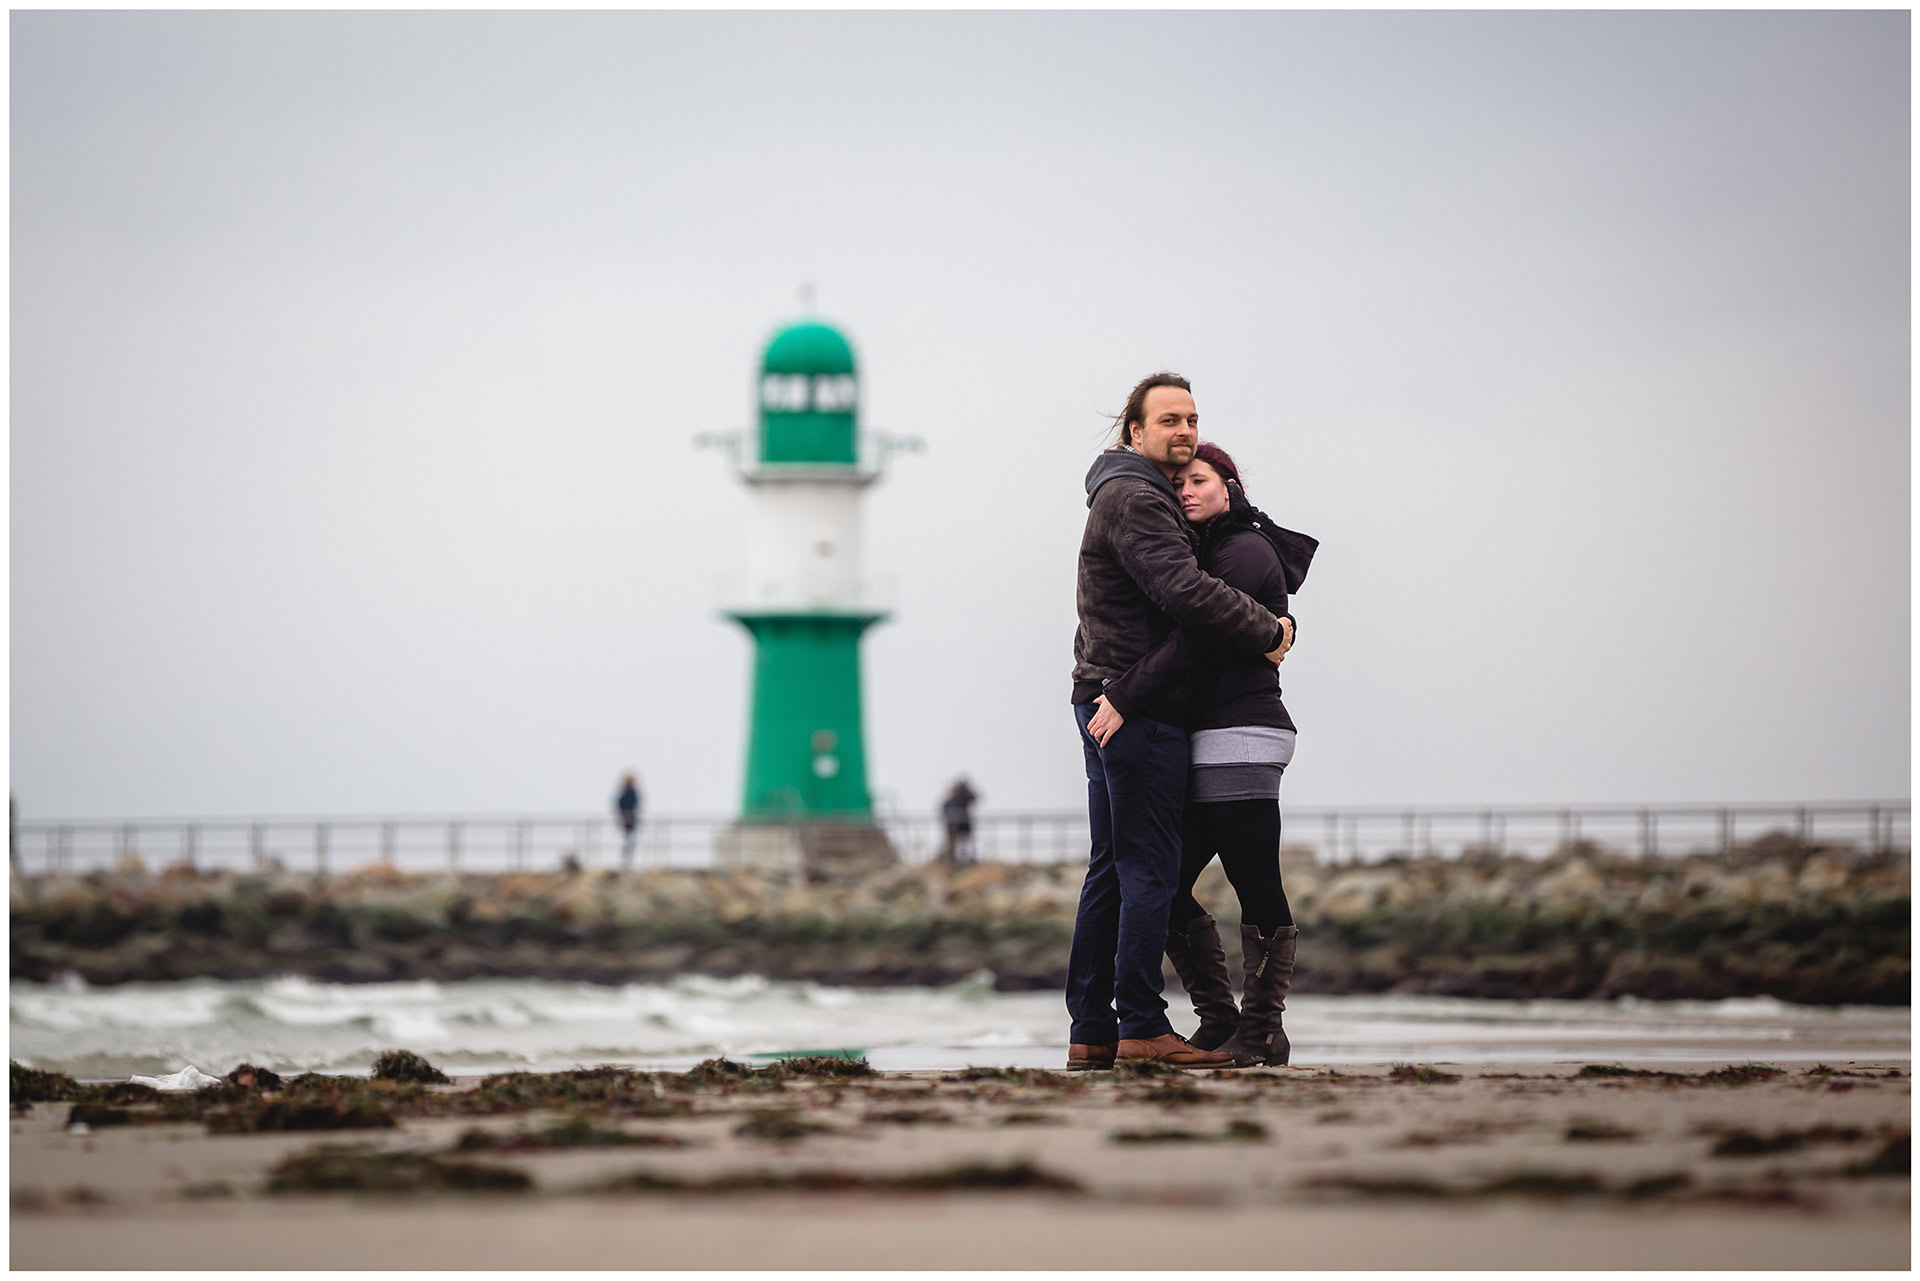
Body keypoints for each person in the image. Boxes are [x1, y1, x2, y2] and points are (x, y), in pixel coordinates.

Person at [1068, 372, 1294, 1071]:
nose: (1184, 430)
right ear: (1134, 431)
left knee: (1115, 866)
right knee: (1146, 869)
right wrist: (1272, 630)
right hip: (1133, 704)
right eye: (1168, 420)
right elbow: (1186, 595)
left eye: (1192, 418)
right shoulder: (1138, 497)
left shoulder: (1140, 496)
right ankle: (1138, 1023)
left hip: (1114, 696)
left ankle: (1095, 1030)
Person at [940, 777, 979, 864]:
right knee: (952, 844)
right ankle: (951, 860)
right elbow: (944, 811)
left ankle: (966, 859)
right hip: (953, 826)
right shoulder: (950, 801)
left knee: (965, 844)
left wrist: (968, 790)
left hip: (964, 825)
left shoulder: (964, 798)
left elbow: (974, 798)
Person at [614, 773, 642, 868]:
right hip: (628, 818)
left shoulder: (629, 792)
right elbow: (623, 804)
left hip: (630, 818)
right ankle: (626, 860)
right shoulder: (627, 792)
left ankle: (627, 859)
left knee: (630, 840)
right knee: (628, 840)